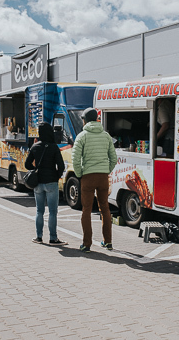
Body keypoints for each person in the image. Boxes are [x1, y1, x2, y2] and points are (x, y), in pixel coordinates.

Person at [72, 108, 117, 252]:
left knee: (86, 209)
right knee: (105, 208)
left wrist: (80, 174)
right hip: (103, 177)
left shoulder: (82, 136)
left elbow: (75, 159)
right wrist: (106, 170)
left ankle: (86, 244)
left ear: (85, 119)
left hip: (88, 177)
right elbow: (114, 158)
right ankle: (108, 242)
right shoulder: (106, 136)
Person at [25, 122, 67, 245]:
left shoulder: (35, 146)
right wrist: (56, 176)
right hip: (51, 182)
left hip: (38, 183)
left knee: (39, 211)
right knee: (53, 212)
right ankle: (53, 238)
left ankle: (38, 237)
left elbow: (27, 165)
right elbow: (61, 165)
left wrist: (35, 168)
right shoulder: (54, 147)